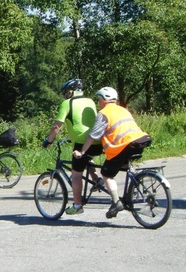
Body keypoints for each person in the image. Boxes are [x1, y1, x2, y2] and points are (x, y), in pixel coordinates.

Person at [73, 87, 152, 219]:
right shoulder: (123, 109)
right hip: (140, 141)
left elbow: (93, 136)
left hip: (124, 145)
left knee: (106, 173)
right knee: (122, 166)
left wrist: (82, 152)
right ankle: (134, 186)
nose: (98, 103)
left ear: (103, 100)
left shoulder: (104, 113)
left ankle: (116, 202)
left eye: (99, 100)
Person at [43, 78, 104, 215]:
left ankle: (77, 205)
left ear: (71, 92)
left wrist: (49, 141)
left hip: (82, 143)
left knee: (76, 175)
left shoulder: (67, 103)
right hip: (98, 142)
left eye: (66, 92)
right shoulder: (90, 101)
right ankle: (96, 180)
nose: (64, 95)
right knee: (87, 158)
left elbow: (57, 126)